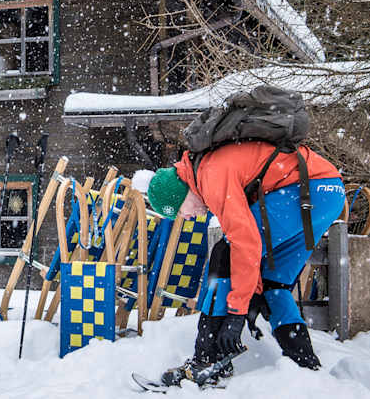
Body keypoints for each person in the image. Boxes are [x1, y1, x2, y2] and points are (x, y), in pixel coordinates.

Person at [147, 140, 345, 386]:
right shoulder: (208, 169)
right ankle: (305, 367)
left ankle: (206, 360)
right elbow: (252, 254)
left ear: (182, 192)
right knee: (275, 283)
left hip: (301, 189)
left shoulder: (210, 175)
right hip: (329, 190)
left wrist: (237, 312)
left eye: (178, 210)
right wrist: (253, 289)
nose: (185, 217)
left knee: (225, 253)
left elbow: (245, 245)